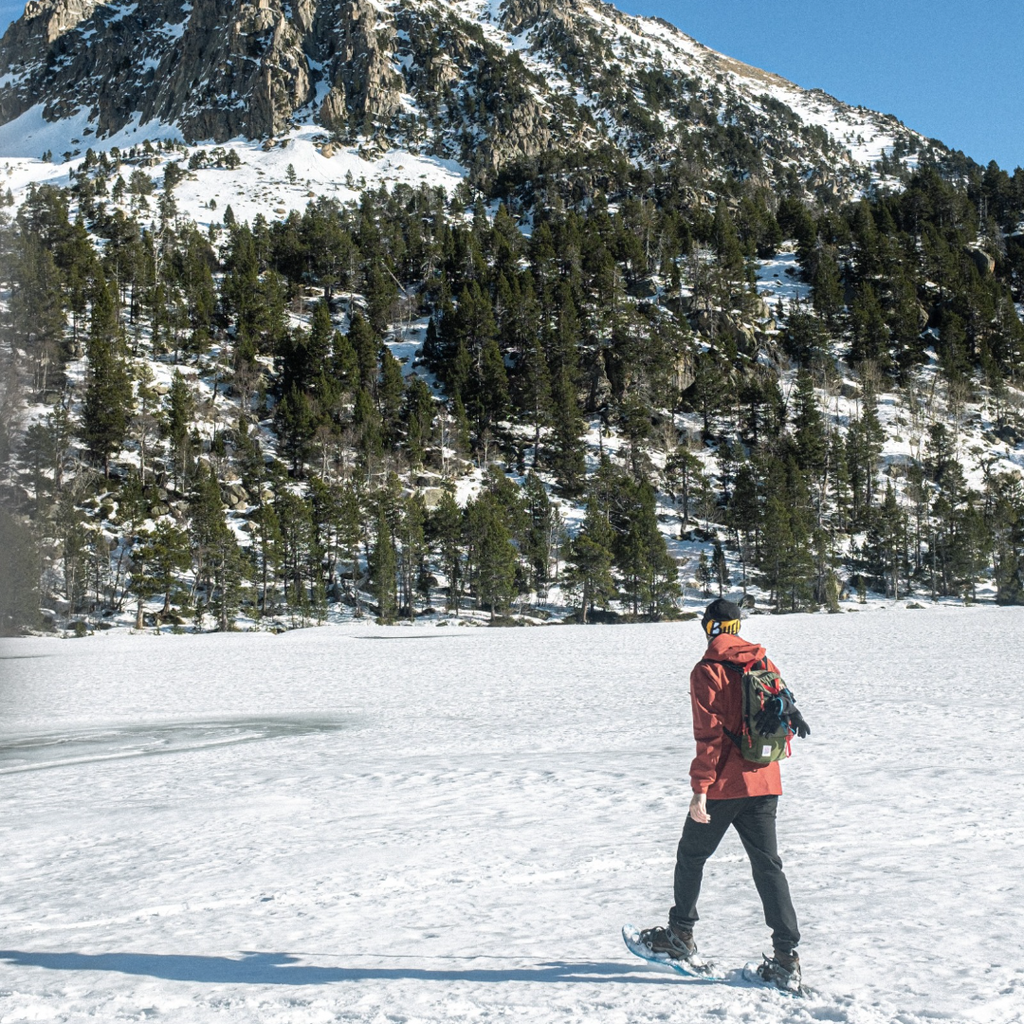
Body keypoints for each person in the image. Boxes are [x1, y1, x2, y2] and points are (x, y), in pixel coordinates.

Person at [637, 598, 807, 992]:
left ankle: (679, 936)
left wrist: (700, 789)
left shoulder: (707, 670)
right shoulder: (763, 661)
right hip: (765, 781)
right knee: (768, 868)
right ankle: (786, 960)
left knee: (691, 855)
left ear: (710, 627)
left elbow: (708, 736)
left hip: (725, 785)